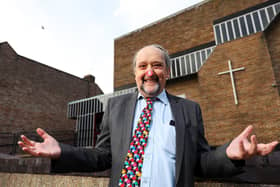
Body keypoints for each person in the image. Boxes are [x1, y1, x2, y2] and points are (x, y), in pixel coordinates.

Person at [18, 44, 278, 187]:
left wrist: (229, 154)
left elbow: (199, 162)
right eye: (143, 66)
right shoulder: (117, 107)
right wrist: (63, 151)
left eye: (157, 65)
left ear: (167, 72)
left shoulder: (189, 110)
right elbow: (102, 156)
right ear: (135, 75)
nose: (150, 72)